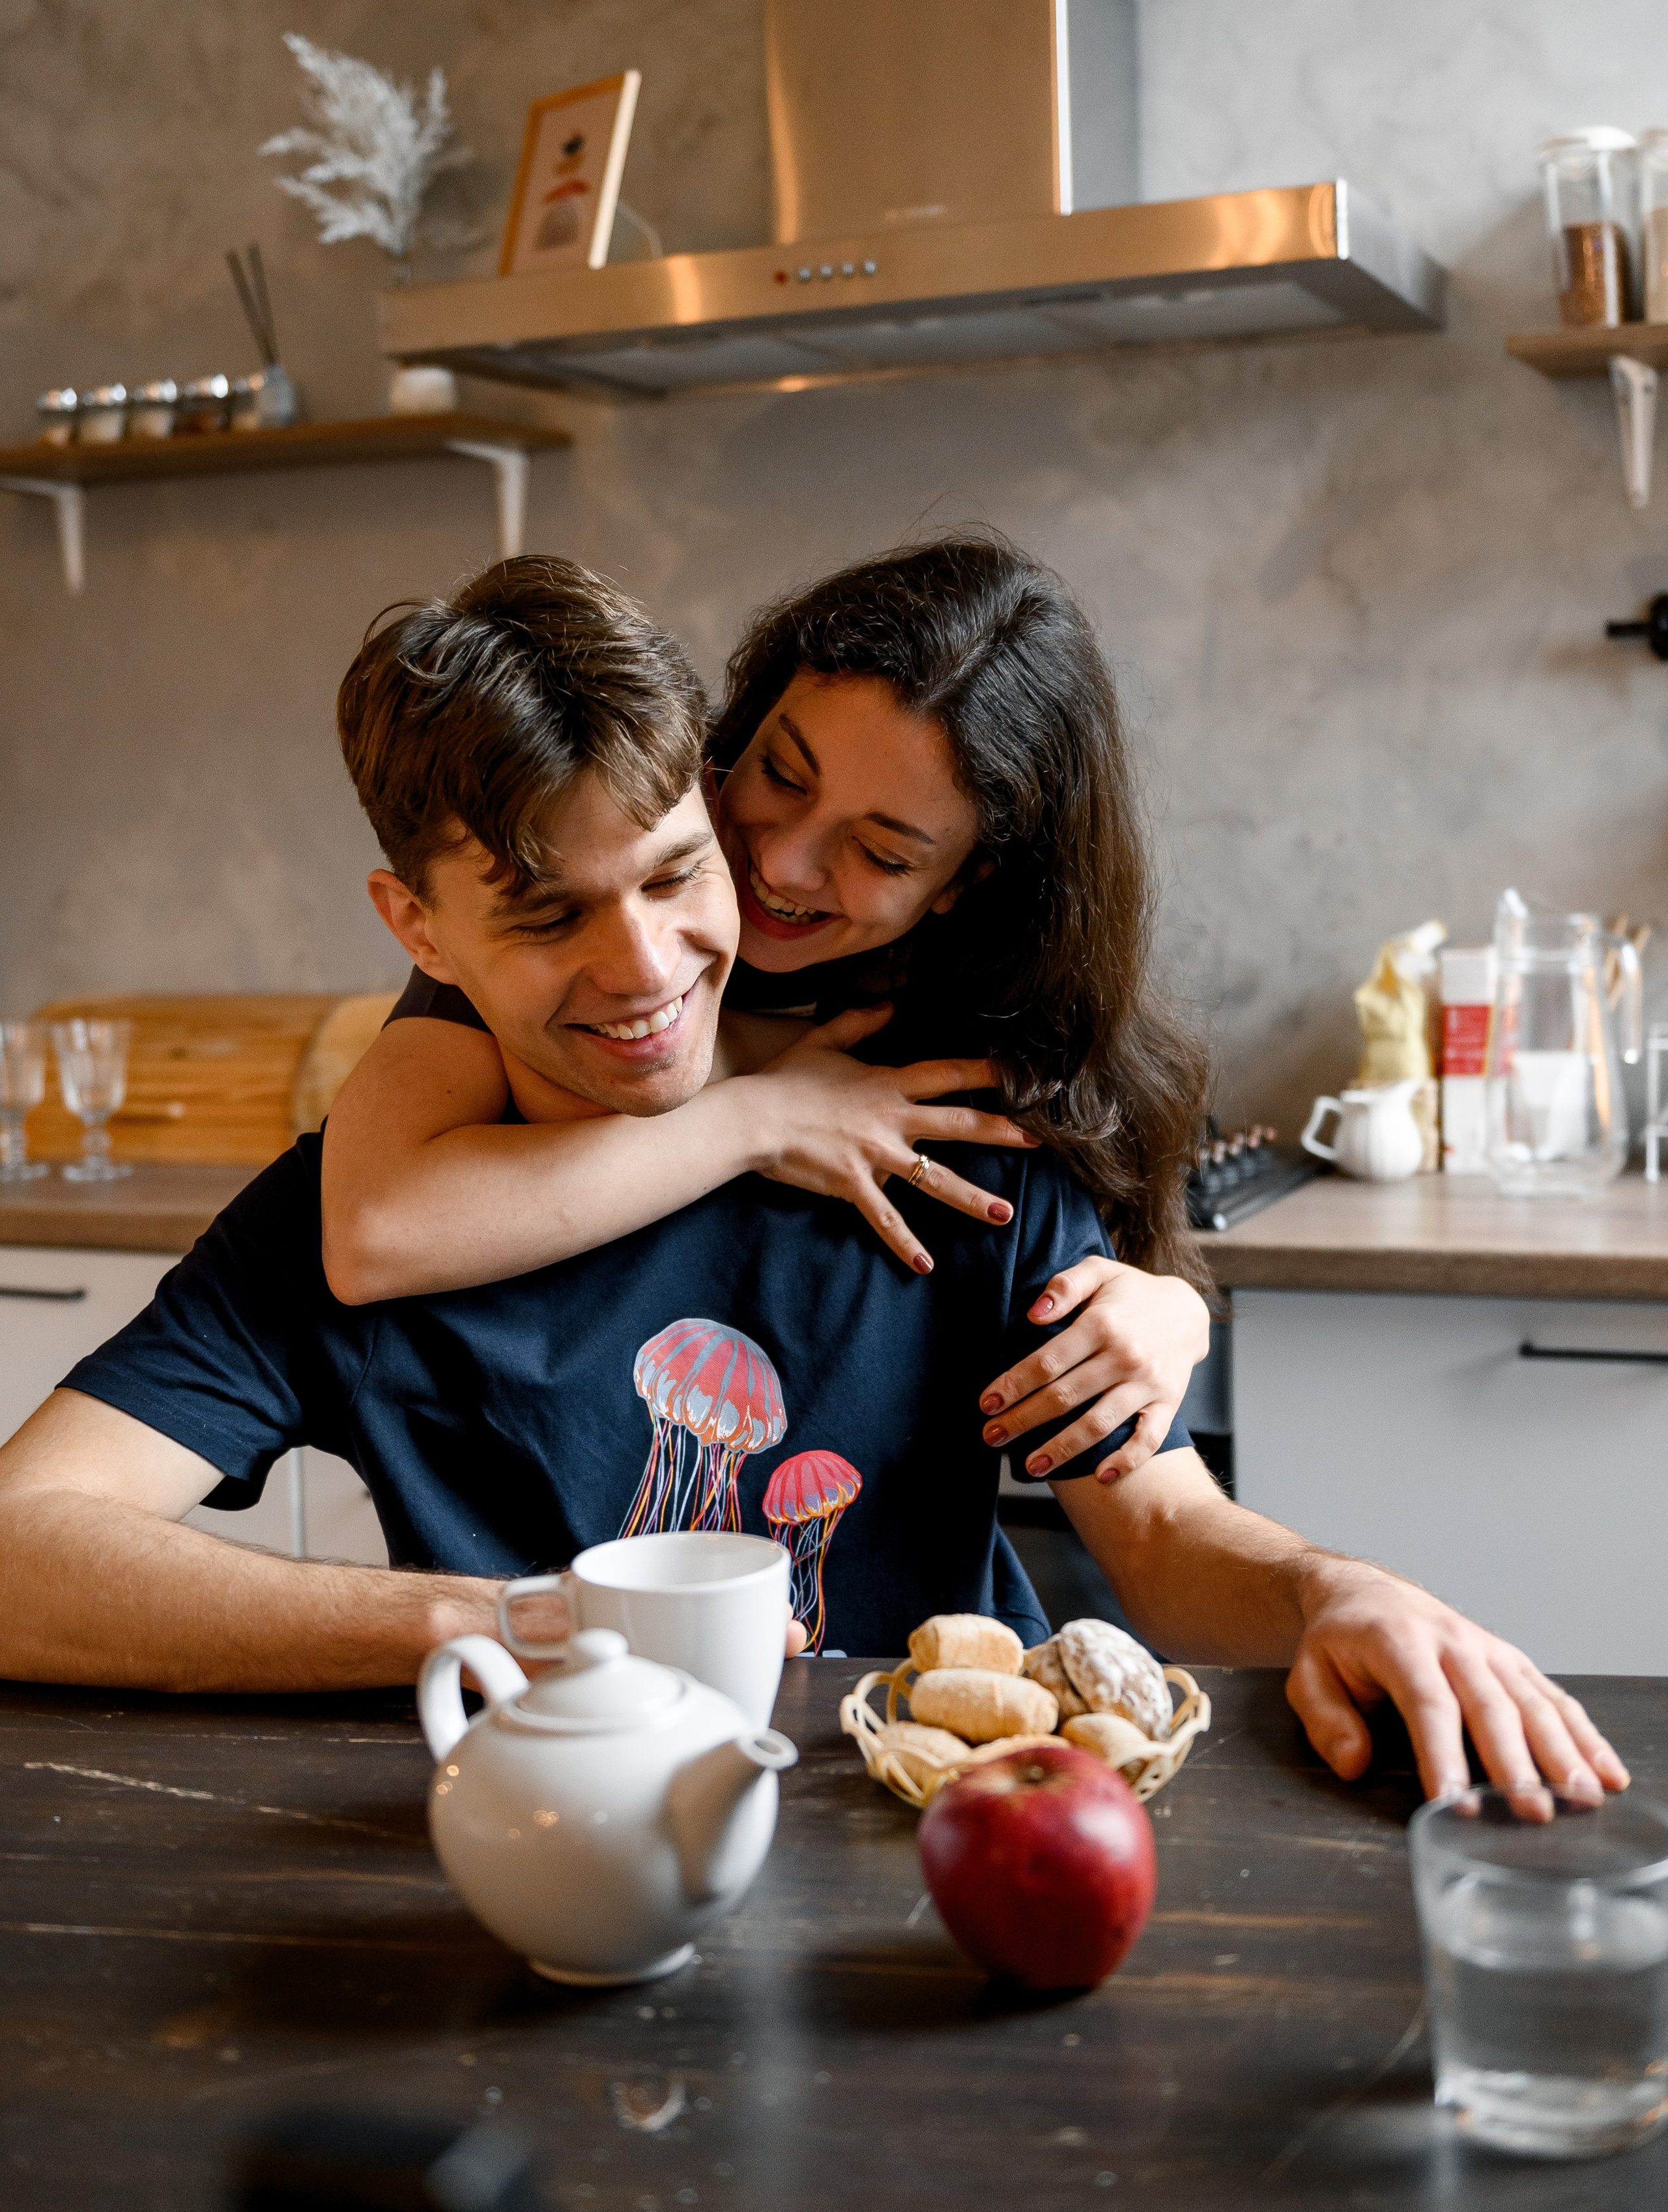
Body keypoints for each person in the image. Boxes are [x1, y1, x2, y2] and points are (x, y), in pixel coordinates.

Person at [0, 554, 1625, 1817]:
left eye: (669, 873)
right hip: (547, 1852)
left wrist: (1335, 1583)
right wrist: (484, 1620)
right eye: (550, 917)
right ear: (421, 934)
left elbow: (1164, 1536)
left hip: (932, 1843)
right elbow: (22, 1548)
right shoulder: (373, 1198)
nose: (649, 965)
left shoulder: (939, 1132)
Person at [320, 536, 1216, 1488]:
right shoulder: (573, 953)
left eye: (884, 853)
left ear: (967, 881)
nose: (783, 865)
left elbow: (1125, 1378)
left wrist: (1173, 1314)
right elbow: (381, 1230)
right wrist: (764, 1119)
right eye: (783, 777)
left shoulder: (993, 1033)